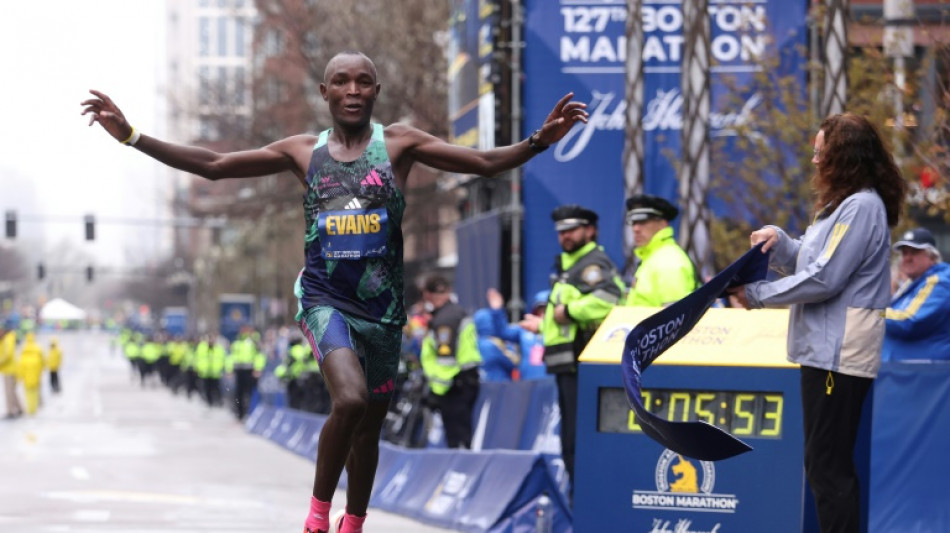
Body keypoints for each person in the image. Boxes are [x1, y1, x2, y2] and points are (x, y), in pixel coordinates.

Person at [81, 50, 587, 533]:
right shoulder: (304, 151)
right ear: (325, 92)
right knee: (349, 401)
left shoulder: (398, 145)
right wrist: (132, 136)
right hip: (325, 300)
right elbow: (214, 164)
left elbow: (482, 163)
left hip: (384, 312)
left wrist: (540, 140)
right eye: (341, 82)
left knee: (368, 431)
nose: (352, 90)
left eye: (363, 82)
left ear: (376, 91)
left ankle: (355, 521)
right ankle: (318, 514)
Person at [729, 113, 907, 533]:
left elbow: (825, 279)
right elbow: (810, 262)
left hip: (838, 357)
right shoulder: (840, 207)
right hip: (824, 353)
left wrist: (755, 296)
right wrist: (778, 240)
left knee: (828, 470)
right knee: (824, 466)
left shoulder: (861, 206)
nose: (814, 161)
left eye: (819, 152)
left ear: (841, 156)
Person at [540, 204, 625, 499]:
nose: (565, 235)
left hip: (581, 365)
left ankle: (585, 505)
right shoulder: (569, 265)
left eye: (572, 229)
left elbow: (611, 297)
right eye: (561, 231)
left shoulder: (591, 263)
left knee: (578, 441)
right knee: (570, 441)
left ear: (591, 230)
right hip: (566, 364)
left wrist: (572, 311)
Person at [419, 275, 482, 448]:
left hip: (454, 386)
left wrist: (437, 390)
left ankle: (461, 471)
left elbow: (446, 361)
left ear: (427, 295)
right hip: (464, 380)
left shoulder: (445, 319)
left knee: (457, 436)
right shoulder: (455, 313)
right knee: (462, 433)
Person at [882, 227, 950, 361]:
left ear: (932, 257)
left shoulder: (939, 282)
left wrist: (873, 313)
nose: (907, 258)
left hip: (924, 374)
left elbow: (909, 322)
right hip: (903, 372)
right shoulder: (915, 283)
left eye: (914, 252)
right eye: (904, 253)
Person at [624, 194, 698, 306]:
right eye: (633, 223)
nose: (636, 229)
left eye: (643, 221)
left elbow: (675, 318)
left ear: (663, 224)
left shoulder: (668, 261)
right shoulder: (654, 258)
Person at [485, 288, 548, 381]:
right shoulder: (526, 328)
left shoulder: (558, 330)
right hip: (528, 383)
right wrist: (497, 311)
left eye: (546, 310)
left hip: (551, 381)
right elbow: (504, 332)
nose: (542, 314)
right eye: (540, 310)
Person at [18, 333, 45, 416]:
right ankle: (34, 409)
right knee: (35, 392)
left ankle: (30, 409)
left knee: (28, 393)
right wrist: (40, 372)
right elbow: (42, 362)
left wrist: (20, 376)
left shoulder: (24, 349)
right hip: (36, 375)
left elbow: (20, 365)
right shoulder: (38, 349)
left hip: (26, 376)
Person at [1, 327, 23, 419]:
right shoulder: (8, 338)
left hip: (9, 369)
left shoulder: (8, 339)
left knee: (9, 391)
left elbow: (7, 355)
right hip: (10, 368)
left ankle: (11, 411)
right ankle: (19, 408)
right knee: (12, 391)